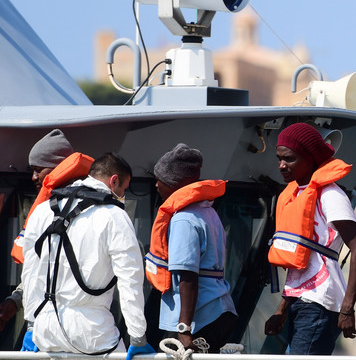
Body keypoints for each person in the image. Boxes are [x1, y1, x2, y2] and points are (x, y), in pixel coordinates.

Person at [20, 152, 155, 359]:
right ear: (114, 180)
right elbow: (130, 280)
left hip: (45, 330)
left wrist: (30, 324)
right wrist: (138, 336)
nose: (122, 195)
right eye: (123, 189)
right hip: (92, 333)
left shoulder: (42, 211)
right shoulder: (114, 215)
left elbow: (31, 273)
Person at [264, 122, 356, 355]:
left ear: (311, 159)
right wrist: (282, 308)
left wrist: (347, 308)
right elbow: (301, 260)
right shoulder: (294, 194)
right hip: (299, 301)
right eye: (279, 158)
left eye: (289, 159)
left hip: (321, 303)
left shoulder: (330, 194)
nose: (282, 165)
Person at [1, 129, 92, 352]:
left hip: (54, 329)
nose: (34, 178)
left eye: (38, 170)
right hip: (48, 325)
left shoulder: (57, 213)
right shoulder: (50, 210)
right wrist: (16, 299)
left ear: (58, 167)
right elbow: (41, 269)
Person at [145, 143, 237, 353]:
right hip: (220, 310)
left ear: (174, 183)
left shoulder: (183, 220)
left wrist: (184, 328)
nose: (157, 185)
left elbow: (187, 275)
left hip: (200, 318)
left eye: (160, 179)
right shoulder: (208, 213)